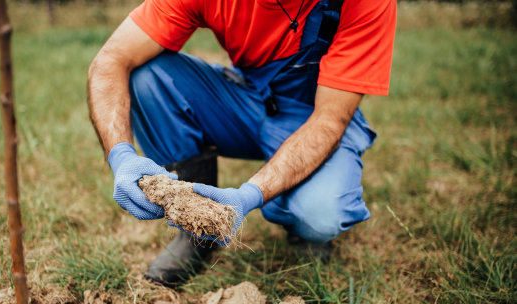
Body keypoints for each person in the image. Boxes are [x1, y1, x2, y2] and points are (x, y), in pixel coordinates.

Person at [87, 0, 397, 287]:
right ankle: (197, 228)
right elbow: (112, 60)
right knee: (147, 74)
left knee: (319, 215)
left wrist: (250, 195)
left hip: (314, 112)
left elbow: (329, 120)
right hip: (248, 99)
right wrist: (121, 156)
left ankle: (299, 221)